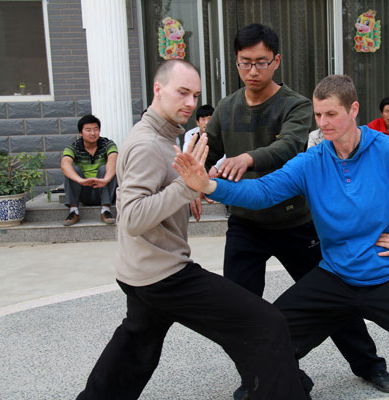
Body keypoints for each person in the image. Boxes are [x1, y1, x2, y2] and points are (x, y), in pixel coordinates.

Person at [174, 74, 389, 400]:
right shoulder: (312, 161)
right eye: (318, 115)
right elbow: (264, 192)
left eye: (331, 114)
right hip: (338, 276)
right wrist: (208, 185)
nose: (323, 124)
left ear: (353, 109)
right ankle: (291, 388)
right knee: (266, 335)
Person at [76, 59, 309, 400]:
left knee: (135, 348)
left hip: (140, 272)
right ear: (158, 90)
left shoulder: (162, 137)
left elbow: (160, 193)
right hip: (163, 275)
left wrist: (189, 190)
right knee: (265, 323)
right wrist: (185, 188)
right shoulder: (146, 145)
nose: (189, 102)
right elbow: (133, 218)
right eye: (182, 92)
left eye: (195, 94)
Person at [203, 24, 389, 398]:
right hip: (245, 224)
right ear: (236, 63)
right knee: (239, 308)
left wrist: (247, 158)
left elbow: (290, 145)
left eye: (261, 62)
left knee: (334, 300)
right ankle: (261, 375)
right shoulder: (226, 107)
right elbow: (208, 149)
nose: (253, 71)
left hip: (296, 223)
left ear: (276, 60)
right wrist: (192, 180)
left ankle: (370, 365)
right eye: (245, 63)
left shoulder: (296, 105)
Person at [61, 114, 118, 226]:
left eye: (96, 129)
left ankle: (106, 210)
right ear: (81, 133)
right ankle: (73, 211)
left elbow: (113, 160)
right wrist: (80, 180)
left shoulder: (108, 144)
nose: (93, 133)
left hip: (104, 189)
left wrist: (105, 180)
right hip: (83, 191)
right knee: (73, 169)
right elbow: (65, 164)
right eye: (88, 130)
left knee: (104, 168)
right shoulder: (73, 147)